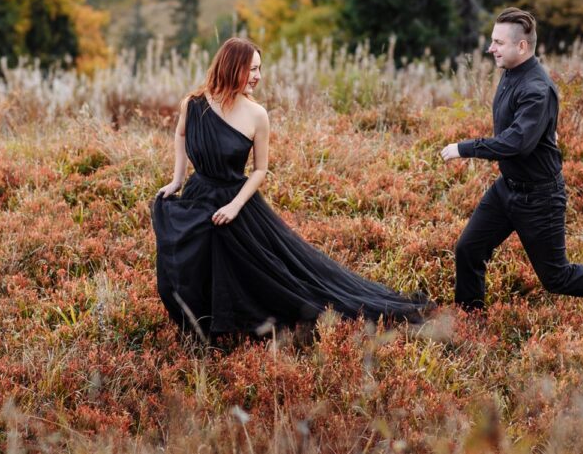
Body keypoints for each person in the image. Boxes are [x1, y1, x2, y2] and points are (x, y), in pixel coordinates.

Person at [152, 37, 434, 338]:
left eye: (260, 69)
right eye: (252, 69)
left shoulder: (257, 115)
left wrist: (235, 206)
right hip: (198, 196)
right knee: (190, 266)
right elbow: (180, 135)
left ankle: (233, 328)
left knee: (276, 278)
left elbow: (260, 169)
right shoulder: (193, 105)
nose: (258, 77)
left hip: (237, 201)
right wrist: (178, 179)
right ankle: (201, 324)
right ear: (232, 67)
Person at [441, 8, 583, 323]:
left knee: (557, 277)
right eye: (492, 41)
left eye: (498, 43)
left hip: (539, 198)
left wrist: (464, 148)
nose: (491, 48)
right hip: (507, 189)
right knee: (468, 249)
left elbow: (516, 142)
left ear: (522, 46)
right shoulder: (511, 72)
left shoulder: (536, 88)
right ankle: (469, 321)